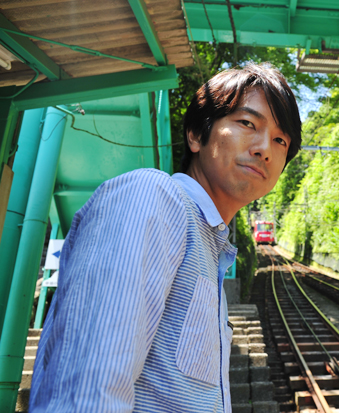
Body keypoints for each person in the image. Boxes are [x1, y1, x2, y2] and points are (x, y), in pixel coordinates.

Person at [29, 63, 302, 412]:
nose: (265, 148)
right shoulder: (152, 197)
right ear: (196, 134)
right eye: (248, 123)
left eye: (280, 140)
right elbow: (87, 394)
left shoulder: (209, 250)